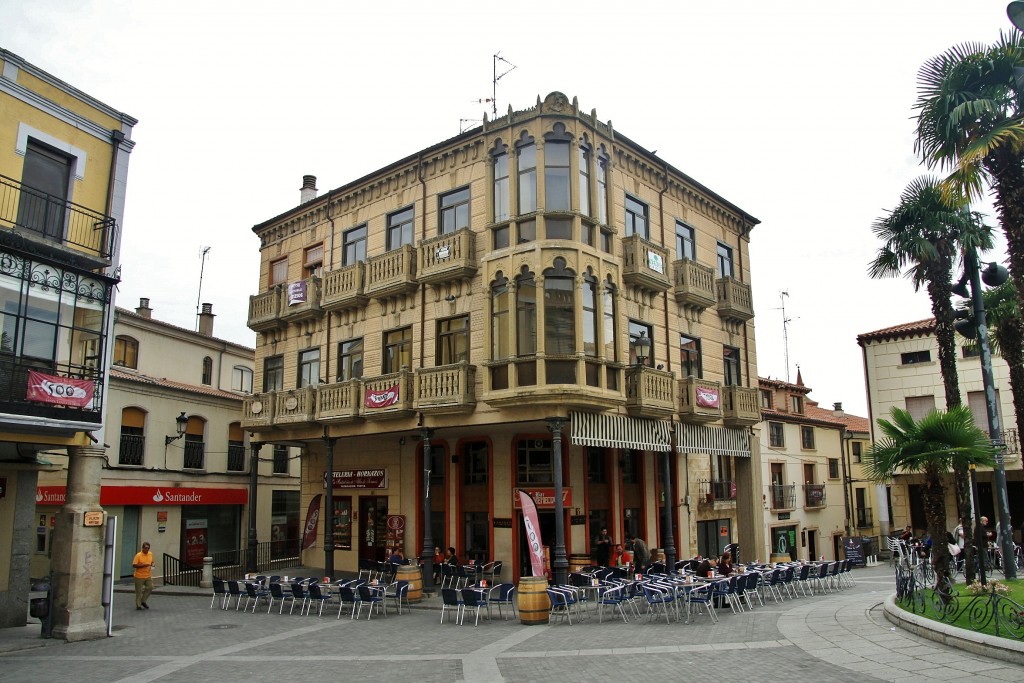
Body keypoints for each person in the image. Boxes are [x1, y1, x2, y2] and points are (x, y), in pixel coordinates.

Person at [132, 541, 155, 610]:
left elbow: (152, 562)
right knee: (139, 591)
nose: (147, 549)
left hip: (147, 575)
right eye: (145, 548)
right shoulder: (138, 555)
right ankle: (138, 605)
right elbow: (134, 565)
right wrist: (144, 565)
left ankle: (143, 601)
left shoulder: (150, 554)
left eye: (148, 548)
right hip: (139, 576)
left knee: (150, 587)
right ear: (142, 548)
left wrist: (153, 565)